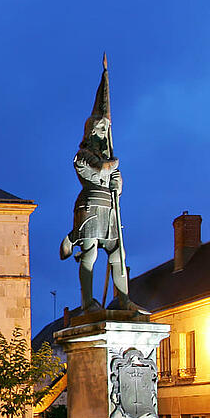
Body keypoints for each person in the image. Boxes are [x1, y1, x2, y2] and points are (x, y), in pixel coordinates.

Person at [60, 57, 138, 312]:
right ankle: (87, 302)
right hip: (90, 205)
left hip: (109, 207)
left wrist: (118, 183)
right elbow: (99, 170)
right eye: (100, 129)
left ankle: (124, 299)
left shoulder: (107, 158)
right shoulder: (82, 155)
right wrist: (112, 166)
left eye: (106, 129)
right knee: (90, 254)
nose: (104, 133)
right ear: (91, 131)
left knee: (118, 253)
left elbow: (115, 182)